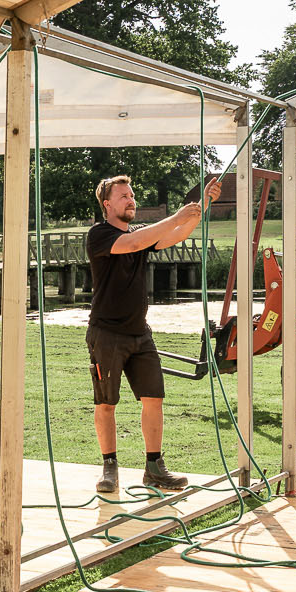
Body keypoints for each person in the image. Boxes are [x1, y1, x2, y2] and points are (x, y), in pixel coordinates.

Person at [87, 173, 221, 495]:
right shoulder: (100, 235)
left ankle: (154, 468)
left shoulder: (140, 236)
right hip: (106, 334)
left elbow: (176, 234)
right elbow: (133, 243)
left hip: (139, 334)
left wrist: (204, 205)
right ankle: (110, 468)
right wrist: (177, 213)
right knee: (107, 403)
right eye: (124, 196)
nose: (131, 200)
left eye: (132, 195)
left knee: (154, 398)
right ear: (107, 204)